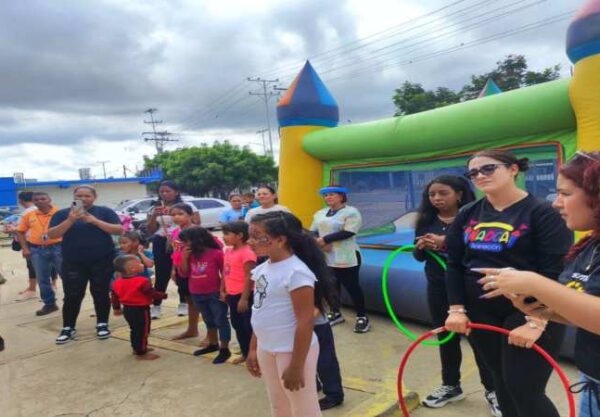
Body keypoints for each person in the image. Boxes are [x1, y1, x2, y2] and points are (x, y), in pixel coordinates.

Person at [444, 150, 572, 417]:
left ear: (513, 169)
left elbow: (556, 270)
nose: (480, 176)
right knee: (500, 381)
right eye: (473, 173)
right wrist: (456, 308)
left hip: (529, 310)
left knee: (525, 389)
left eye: (488, 168)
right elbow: (454, 264)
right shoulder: (468, 212)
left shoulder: (542, 213)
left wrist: (537, 320)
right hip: (480, 309)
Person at [477, 151, 600, 417]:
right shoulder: (590, 244)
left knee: (525, 390)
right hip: (592, 378)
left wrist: (534, 283)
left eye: (565, 194)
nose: (557, 203)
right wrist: (544, 311)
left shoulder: (540, 214)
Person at [413, 176, 499, 413]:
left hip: (469, 288)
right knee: (445, 337)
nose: (437, 199)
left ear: (460, 194)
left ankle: (493, 389)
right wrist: (420, 248)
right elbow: (419, 257)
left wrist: (446, 242)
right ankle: (451, 385)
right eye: (432, 195)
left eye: (443, 193)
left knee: (480, 340)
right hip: (438, 288)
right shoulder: (426, 221)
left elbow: (479, 252)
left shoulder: (474, 218)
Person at [246, 211, 337, 417]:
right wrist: (253, 348)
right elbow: (259, 311)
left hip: (291, 351)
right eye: (249, 235)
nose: (249, 241)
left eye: (256, 235)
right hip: (266, 347)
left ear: (280, 240)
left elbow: (305, 321)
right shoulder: (262, 269)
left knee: (304, 409)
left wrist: (297, 365)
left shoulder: (296, 272)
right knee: (278, 405)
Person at [48, 185, 123, 344]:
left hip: (101, 259)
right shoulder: (62, 214)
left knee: (100, 293)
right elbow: (52, 234)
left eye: (87, 196)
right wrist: (71, 219)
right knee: (72, 295)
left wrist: (94, 221)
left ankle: (102, 323)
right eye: (79, 195)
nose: (83, 199)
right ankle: (68, 327)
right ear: (74, 197)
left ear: (94, 197)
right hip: (73, 262)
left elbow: (118, 230)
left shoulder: (104, 212)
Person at [311, 185, 369, 333]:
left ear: (342, 196)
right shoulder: (320, 213)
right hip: (327, 255)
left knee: (352, 287)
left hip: (347, 256)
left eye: (332, 194)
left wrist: (324, 240)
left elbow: (349, 231)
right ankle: (335, 312)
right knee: (331, 286)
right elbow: (312, 231)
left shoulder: (351, 212)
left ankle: (362, 316)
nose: (328, 197)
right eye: (326, 195)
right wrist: (319, 242)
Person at [177, 226, 232, 364]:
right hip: (196, 292)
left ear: (198, 240)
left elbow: (224, 273)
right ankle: (213, 344)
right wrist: (184, 257)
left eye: (186, 241)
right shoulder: (189, 254)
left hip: (214, 292)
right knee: (208, 319)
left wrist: (223, 290)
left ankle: (224, 349)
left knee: (221, 320)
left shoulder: (215, 253)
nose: (184, 244)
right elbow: (183, 273)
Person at [146, 181, 200, 319]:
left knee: (182, 271)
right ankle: (156, 305)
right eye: (161, 191)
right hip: (161, 241)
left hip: (182, 238)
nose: (164, 194)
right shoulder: (155, 207)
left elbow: (197, 224)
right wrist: (154, 216)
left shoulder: (188, 206)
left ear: (176, 192)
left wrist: (179, 218)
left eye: (168, 191)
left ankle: (183, 302)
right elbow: (150, 229)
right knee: (161, 273)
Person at [111, 255, 166, 360]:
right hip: (141, 310)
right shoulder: (142, 281)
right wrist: (162, 295)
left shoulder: (116, 282)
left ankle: (137, 348)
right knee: (143, 330)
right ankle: (141, 353)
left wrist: (116, 308)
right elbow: (151, 293)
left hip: (127, 310)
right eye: (139, 263)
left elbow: (114, 296)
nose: (142, 265)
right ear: (131, 268)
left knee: (134, 330)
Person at [16, 192, 62, 316]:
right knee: (42, 278)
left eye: (43, 198)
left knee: (67, 276)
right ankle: (50, 304)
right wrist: (25, 248)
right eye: (37, 199)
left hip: (58, 248)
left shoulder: (59, 213)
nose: (40, 201)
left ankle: (71, 301)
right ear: (33, 201)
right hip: (37, 250)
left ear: (49, 199)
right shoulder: (29, 215)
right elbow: (20, 232)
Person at [222, 221, 257, 364]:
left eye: (227, 234)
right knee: (237, 324)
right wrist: (223, 290)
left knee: (248, 326)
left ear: (240, 235)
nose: (224, 237)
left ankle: (254, 354)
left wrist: (244, 298)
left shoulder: (247, 253)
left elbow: (250, 276)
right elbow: (225, 271)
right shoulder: (229, 251)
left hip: (245, 295)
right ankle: (245, 352)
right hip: (232, 294)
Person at [169, 203, 202, 339]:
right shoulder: (176, 232)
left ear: (190, 215)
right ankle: (192, 329)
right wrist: (174, 269)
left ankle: (212, 335)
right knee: (190, 301)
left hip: (196, 272)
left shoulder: (197, 232)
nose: (176, 217)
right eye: (173, 214)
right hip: (181, 271)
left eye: (180, 214)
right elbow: (175, 252)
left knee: (203, 302)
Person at [314, 307, 344, 410]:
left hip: (316, 323)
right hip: (300, 322)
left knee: (325, 359)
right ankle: (313, 384)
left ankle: (334, 394)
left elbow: (322, 298)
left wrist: (307, 320)